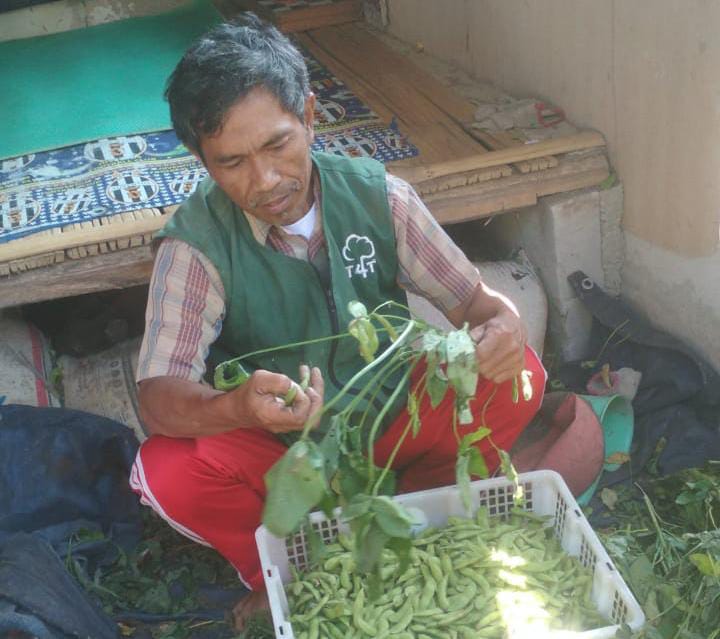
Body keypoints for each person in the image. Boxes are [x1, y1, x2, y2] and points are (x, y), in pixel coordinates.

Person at [130, 13, 546, 627]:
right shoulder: (195, 246)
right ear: (202, 161)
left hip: (391, 424)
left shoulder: (382, 199)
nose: (266, 180)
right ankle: (286, 569)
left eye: (278, 144)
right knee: (167, 469)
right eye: (232, 161)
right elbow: (159, 398)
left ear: (310, 115)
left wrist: (505, 326)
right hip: (286, 457)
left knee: (520, 377)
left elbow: (480, 305)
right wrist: (237, 408)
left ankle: (409, 516)